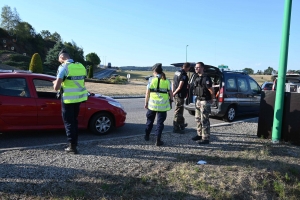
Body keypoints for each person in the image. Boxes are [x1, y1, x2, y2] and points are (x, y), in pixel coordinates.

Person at [53, 49, 88, 154]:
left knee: (69, 123)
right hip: (78, 98)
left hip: (68, 99)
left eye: (59, 59)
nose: (59, 61)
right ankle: (74, 143)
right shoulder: (81, 66)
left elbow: (56, 87)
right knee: (74, 121)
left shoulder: (63, 67)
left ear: (62, 57)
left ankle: (72, 147)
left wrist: (54, 83)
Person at [144, 63, 173, 146]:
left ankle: (147, 136)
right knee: (160, 123)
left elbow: (147, 94)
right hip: (163, 107)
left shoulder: (151, 80)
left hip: (152, 106)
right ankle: (158, 140)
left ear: (154, 71)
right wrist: (171, 101)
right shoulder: (167, 81)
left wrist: (146, 103)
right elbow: (171, 93)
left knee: (149, 121)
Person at [192, 62, 214, 145]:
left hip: (205, 101)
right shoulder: (197, 77)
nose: (196, 69)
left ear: (202, 68)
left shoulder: (206, 78)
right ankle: (199, 134)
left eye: (198, 67)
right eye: (195, 67)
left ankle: (206, 138)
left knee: (204, 120)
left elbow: (211, 89)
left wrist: (212, 98)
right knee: (197, 119)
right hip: (198, 100)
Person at [172, 62, 190, 133]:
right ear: (187, 67)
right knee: (178, 111)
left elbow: (173, 83)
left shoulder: (176, 72)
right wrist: (174, 93)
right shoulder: (184, 75)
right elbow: (180, 86)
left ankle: (181, 124)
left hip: (176, 94)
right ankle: (176, 128)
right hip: (180, 95)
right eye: (189, 68)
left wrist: (173, 92)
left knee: (180, 110)